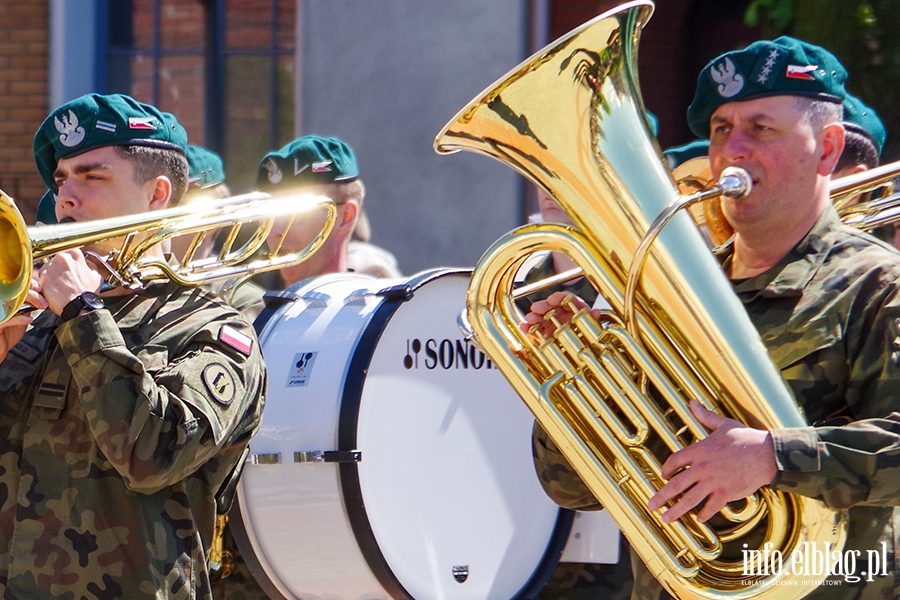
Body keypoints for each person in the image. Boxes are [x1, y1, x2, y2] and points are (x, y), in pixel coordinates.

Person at [526, 36, 900, 600]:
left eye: (761, 128)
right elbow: (570, 488)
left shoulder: (879, 282)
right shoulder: (661, 296)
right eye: (722, 129)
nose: (732, 150)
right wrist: (575, 383)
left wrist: (772, 457)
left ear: (826, 150)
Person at [0, 93, 267, 599]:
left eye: (92, 177)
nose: (65, 199)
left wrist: (82, 314)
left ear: (157, 194)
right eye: (61, 180)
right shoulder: (37, 322)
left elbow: (153, 454)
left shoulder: (211, 329)